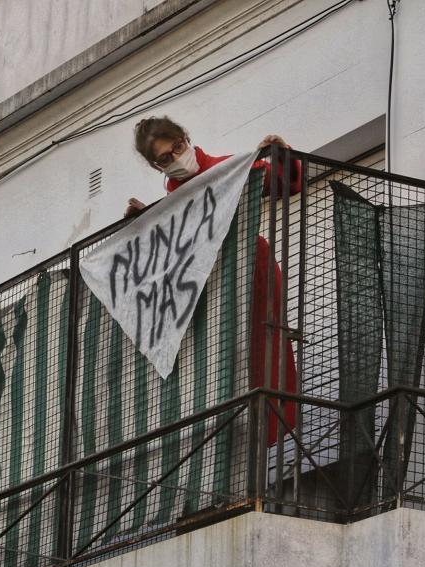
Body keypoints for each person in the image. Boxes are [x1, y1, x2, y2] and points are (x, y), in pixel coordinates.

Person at [125, 116, 299, 446]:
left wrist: (281, 154)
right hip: (209, 294)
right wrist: (144, 221)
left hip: (251, 274)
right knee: (218, 368)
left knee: (260, 357)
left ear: (186, 138)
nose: (176, 157)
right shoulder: (170, 205)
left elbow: (284, 183)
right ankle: (229, 446)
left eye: (177, 147)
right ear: (155, 166)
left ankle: (266, 435)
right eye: (165, 158)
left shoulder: (224, 170)